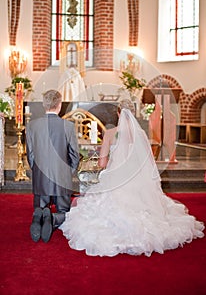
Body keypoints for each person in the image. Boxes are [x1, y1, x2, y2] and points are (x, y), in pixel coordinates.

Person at [60, 100, 204, 257]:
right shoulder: (141, 134)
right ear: (133, 114)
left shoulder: (110, 133)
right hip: (137, 182)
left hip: (117, 181)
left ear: (118, 114)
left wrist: (105, 160)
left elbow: (102, 163)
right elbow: (148, 161)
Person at [26, 89, 79, 243]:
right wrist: (67, 173)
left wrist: (37, 171)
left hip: (40, 178)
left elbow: (30, 155)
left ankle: (40, 214)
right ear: (59, 105)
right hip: (62, 180)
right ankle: (54, 217)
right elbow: (74, 155)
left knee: (41, 205)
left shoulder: (32, 126)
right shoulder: (67, 126)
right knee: (66, 213)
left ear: (44, 105)